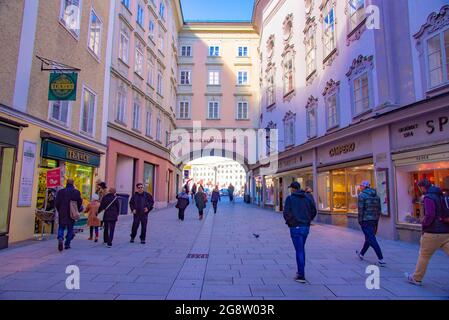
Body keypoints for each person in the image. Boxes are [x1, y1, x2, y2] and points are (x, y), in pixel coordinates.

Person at [406, 179, 449, 286]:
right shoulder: (442, 195)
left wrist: (424, 224)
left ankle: (416, 278)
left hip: (432, 232)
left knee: (424, 255)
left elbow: (430, 214)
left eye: (420, 188)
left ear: (422, 187)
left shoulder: (428, 197)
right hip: (446, 231)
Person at [283, 182, 317, 283]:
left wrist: (290, 222)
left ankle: (301, 275)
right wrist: (308, 220)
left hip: (295, 227)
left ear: (293, 189)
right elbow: (313, 211)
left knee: (299, 250)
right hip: (305, 227)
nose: (290, 190)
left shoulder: (290, 198)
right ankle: (300, 272)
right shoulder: (307, 197)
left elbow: (286, 212)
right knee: (301, 248)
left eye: (291, 188)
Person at [356, 181, 386, 266]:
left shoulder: (362, 195)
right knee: (369, 237)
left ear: (364, 187)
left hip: (366, 220)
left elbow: (360, 209)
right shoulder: (376, 196)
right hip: (374, 220)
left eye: (361, 185)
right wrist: (376, 219)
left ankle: (381, 258)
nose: (360, 187)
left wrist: (360, 220)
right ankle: (362, 254)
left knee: (371, 239)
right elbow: (379, 209)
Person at [54, 179, 83, 252]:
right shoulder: (76, 192)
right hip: (72, 212)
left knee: (61, 226)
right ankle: (67, 244)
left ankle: (60, 237)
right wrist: (77, 210)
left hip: (62, 212)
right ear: (73, 183)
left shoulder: (61, 191)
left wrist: (59, 209)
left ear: (66, 183)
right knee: (70, 228)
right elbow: (79, 202)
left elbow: (56, 202)